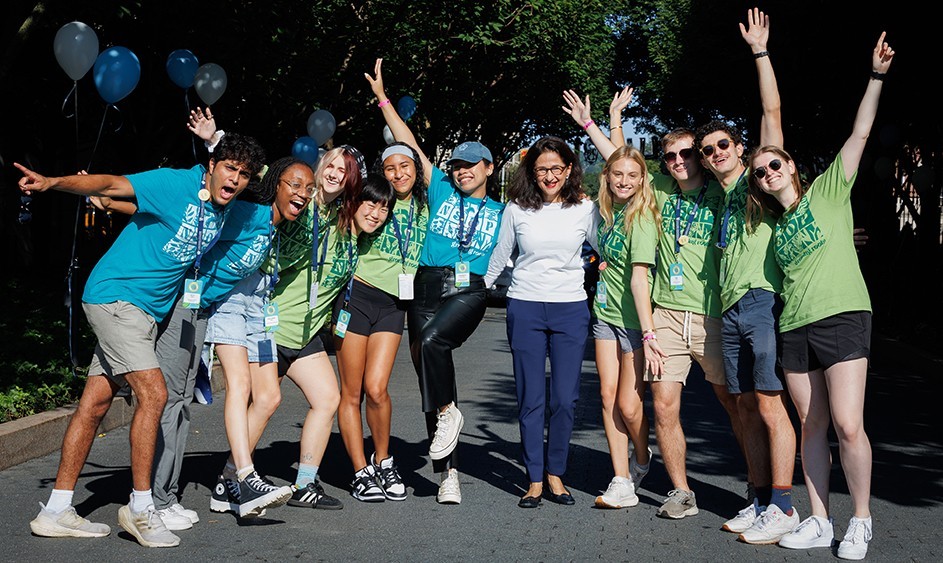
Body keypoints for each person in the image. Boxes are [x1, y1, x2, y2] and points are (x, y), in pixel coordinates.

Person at [17, 132, 266, 547]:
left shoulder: (223, 206)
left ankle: (57, 510)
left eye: (242, 174)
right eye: (229, 168)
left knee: (94, 403)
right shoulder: (174, 183)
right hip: (117, 298)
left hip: (145, 314)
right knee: (155, 393)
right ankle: (141, 507)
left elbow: (131, 207)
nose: (235, 179)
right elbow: (112, 183)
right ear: (211, 165)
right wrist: (51, 182)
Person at [746, 33, 894, 560]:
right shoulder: (775, 229)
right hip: (795, 328)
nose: (768, 174)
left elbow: (860, 132)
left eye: (775, 165)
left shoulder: (830, 191)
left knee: (849, 424)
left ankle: (861, 520)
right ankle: (819, 520)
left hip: (844, 317)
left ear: (791, 166)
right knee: (812, 424)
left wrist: (875, 76)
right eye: (761, 172)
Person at [564, 87, 736, 520]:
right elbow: (621, 162)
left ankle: (763, 487)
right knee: (652, 403)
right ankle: (666, 486)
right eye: (671, 157)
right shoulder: (658, 188)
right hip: (663, 311)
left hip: (711, 314)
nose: (678, 162)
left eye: (686, 155)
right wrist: (599, 122)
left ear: (700, 156)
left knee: (735, 402)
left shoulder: (721, 189)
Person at [366, 58, 505, 504]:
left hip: (469, 288)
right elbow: (406, 141)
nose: (462, 171)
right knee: (431, 372)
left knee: (431, 346)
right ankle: (449, 475)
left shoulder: (505, 212)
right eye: (457, 165)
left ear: (488, 167)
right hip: (424, 286)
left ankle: (449, 416)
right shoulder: (441, 186)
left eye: (471, 165)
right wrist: (384, 99)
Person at [692, 8, 798, 544]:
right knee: (744, 405)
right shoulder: (714, 195)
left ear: (740, 149)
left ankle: (784, 504)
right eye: (707, 151)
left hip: (760, 299)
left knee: (769, 400)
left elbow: (772, 110)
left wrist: (760, 52)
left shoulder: (758, 181)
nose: (714, 154)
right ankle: (759, 500)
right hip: (726, 307)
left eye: (722, 146)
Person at [564, 92, 669, 508]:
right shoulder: (608, 216)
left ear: (644, 180)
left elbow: (641, 279)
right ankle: (621, 478)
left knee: (629, 402)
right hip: (604, 315)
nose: (624, 180)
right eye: (617, 175)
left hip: (634, 322)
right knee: (607, 397)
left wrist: (648, 333)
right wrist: (605, 120)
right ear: (606, 178)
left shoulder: (643, 217)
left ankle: (641, 458)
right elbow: (619, 156)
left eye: (632, 175)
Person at [484, 136, 596, 508]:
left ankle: (556, 474)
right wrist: (470, 294)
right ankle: (534, 479)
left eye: (556, 168)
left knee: (565, 399)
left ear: (569, 170)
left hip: (570, 308)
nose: (549, 176)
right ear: (531, 172)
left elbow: (605, 248)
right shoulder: (517, 208)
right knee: (530, 398)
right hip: (526, 307)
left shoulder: (585, 207)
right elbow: (500, 257)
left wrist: (613, 265)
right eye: (542, 169)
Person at [270, 147, 382, 512]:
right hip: (274, 324)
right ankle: (231, 479)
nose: (335, 173)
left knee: (327, 399)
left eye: (344, 170)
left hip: (307, 334)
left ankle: (304, 483)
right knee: (263, 403)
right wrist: (214, 141)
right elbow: (265, 182)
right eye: (331, 165)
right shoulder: (304, 204)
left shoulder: (345, 223)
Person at [333, 94, 429, 502]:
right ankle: (359, 470)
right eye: (389, 168)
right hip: (357, 298)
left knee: (378, 388)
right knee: (351, 392)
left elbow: (415, 151)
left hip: (394, 305)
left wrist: (385, 100)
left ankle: (384, 461)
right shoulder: (372, 200)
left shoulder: (426, 204)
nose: (398, 173)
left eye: (404, 166)